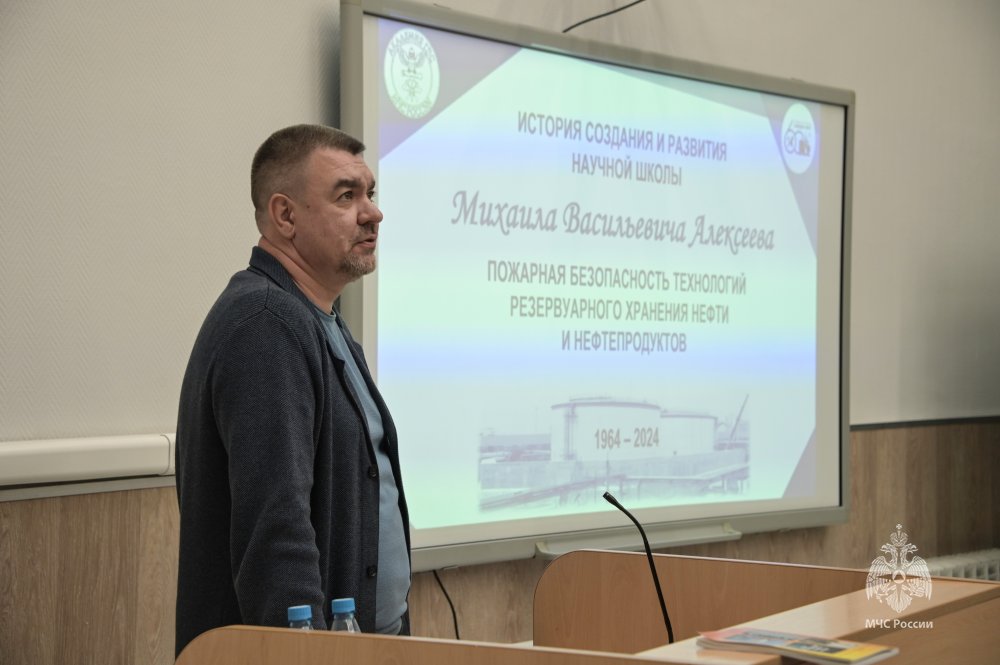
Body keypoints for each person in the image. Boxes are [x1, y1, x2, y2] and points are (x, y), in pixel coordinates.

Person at [174, 124, 410, 657]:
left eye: (370, 193)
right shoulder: (267, 324)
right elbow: (275, 529)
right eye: (346, 196)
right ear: (285, 216)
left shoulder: (316, 318)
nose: (372, 213)